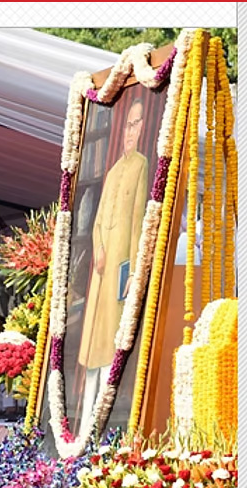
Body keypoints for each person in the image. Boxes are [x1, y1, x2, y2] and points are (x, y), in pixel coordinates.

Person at [77, 98, 149, 418]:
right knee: (93, 339)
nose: (130, 131)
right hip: (102, 267)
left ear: (143, 128)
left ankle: (102, 414)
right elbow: (97, 220)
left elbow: (137, 222)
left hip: (122, 266)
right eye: (128, 125)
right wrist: (100, 249)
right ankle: (85, 414)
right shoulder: (113, 171)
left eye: (136, 124)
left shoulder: (141, 165)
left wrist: (132, 270)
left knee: (111, 340)